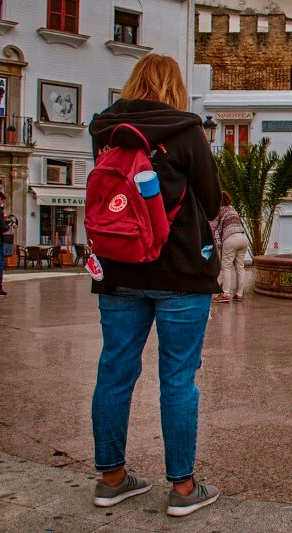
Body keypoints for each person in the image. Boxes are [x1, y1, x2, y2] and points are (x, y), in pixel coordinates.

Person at [88, 54, 221, 517]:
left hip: (118, 271)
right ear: (174, 87)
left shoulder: (104, 131)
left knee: (115, 371)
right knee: (178, 378)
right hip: (182, 271)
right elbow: (210, 197)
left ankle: (111, 478)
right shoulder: (186, 130)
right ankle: (183, 489)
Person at [210, 191, 247, 303]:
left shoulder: (219, 210)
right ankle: (239, 294)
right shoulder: (232, 209)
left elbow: (212, 227)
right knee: (240, 267)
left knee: (226, 266)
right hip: (242, 238)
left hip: (230, 238)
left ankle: (225, 294)